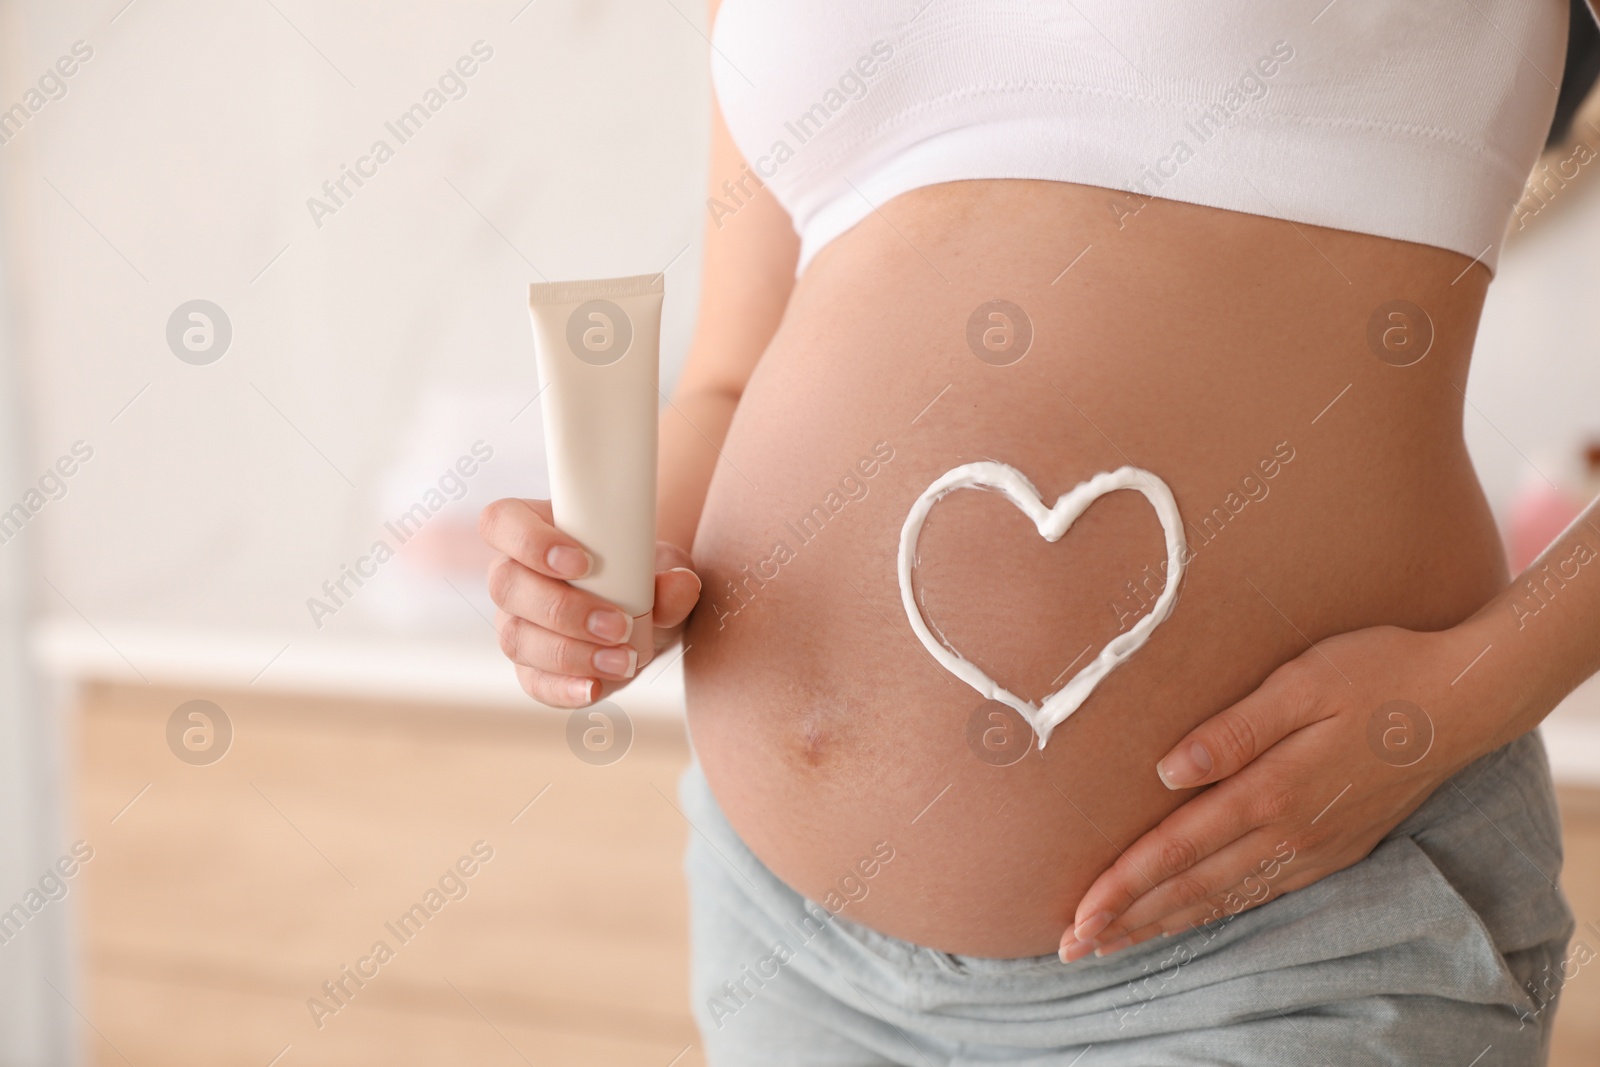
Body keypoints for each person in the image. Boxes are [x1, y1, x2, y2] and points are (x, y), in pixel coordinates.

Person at [480, 1, 1600, 1061]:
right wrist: (603, 584)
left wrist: (1454, 698)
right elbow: (727, 381)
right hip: (792, 951)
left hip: (1293, 942)